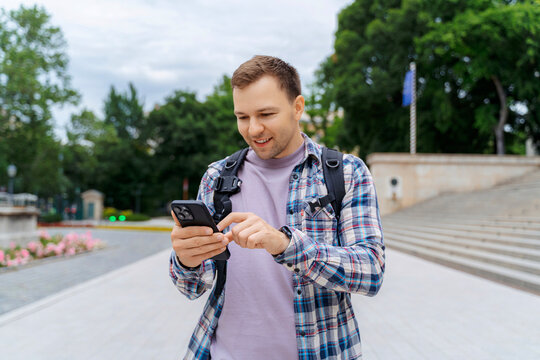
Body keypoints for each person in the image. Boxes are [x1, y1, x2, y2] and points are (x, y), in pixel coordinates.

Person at [169, 55, 385, 360]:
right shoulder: (217, 177)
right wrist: (186, 260)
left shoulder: (346, 172)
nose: (253, 129)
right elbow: (191, 287)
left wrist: (286, 244)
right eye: (242, 117)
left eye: (266, 114)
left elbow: (371, 271)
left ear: (298, 107)